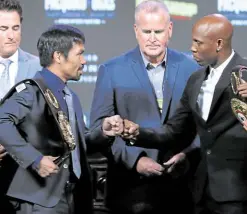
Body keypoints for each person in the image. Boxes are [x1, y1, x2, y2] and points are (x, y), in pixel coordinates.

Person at [123, 14, 247, 214]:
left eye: (198, 42)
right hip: (199, 192)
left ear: (218, 44)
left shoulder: (246, 74)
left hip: (239, 192)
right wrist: (137, 133)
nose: (192, 48)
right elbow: (174, 131)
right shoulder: (195, 80)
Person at [89, 0, 200, 213]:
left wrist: (187, 154)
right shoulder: (111, 70)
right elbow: (98, 129)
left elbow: (203, 124)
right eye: (146, 31)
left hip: (182, 187)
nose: (152, 38)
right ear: (135, 31)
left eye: (158, 31)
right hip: (129, 188)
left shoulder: (192, 69)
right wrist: (135, 160)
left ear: (169, 30)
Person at [0, 25, 124, 214]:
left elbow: (78, 144)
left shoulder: (70, 96)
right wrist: (35, 159)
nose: (83, 61)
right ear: (58, 56)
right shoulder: (30, 91)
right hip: (40, 199)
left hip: (72, 197)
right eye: (79, 54)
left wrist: (104, 132)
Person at [0, 0, 41, 208]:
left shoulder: (38, 68)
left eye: (15, 28)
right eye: (3, 28)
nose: (11, 35)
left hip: (26, 175)